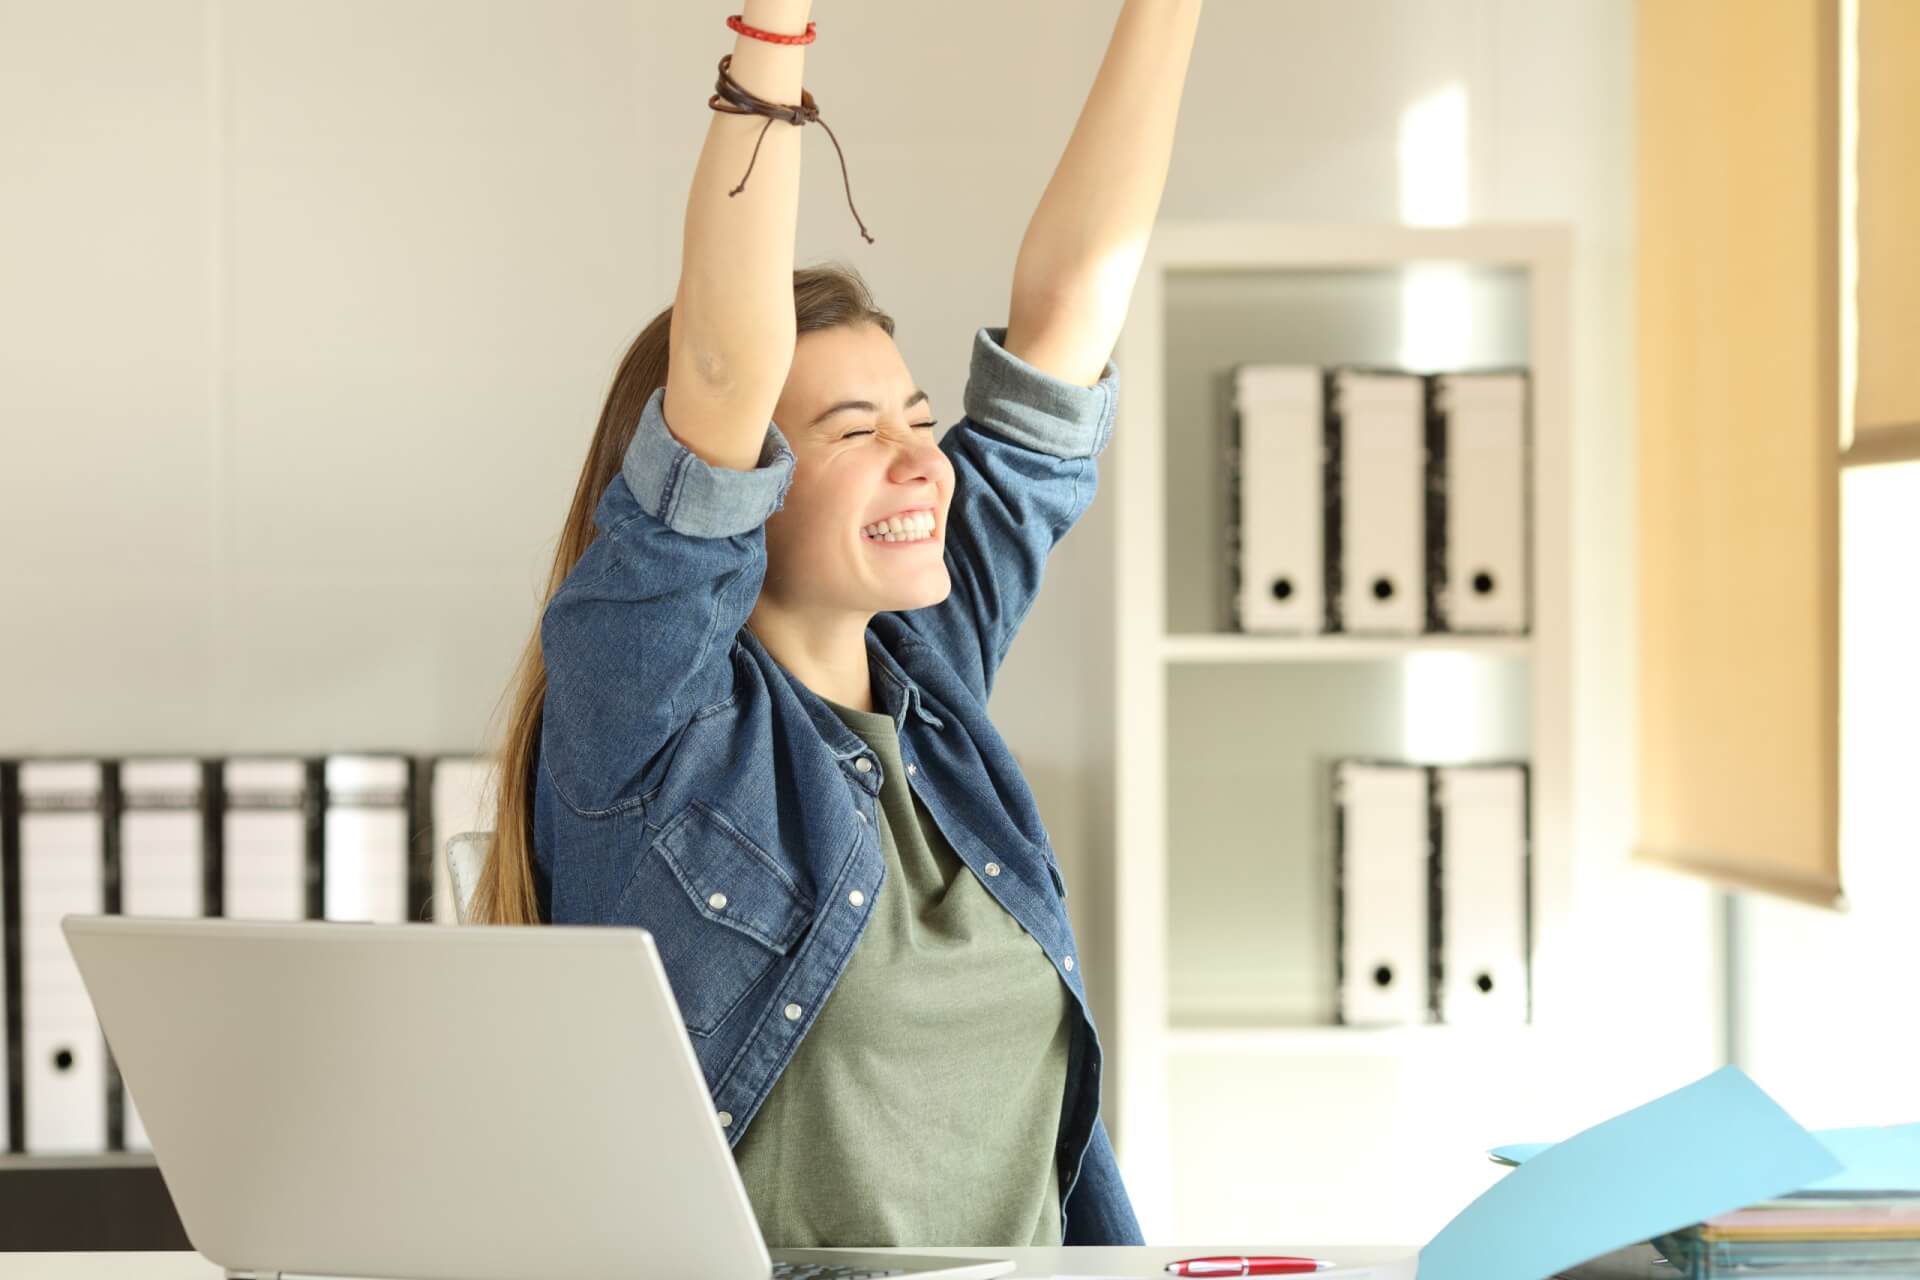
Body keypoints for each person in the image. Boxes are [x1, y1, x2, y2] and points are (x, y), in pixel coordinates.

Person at [470, 0, 1203, 1248]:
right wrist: (775, 33)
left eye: (918, 419)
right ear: (744, 485)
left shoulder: (929, 668)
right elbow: (720, 370)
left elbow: (1075, 301)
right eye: (854, 431)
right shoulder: (643, 721)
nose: (923, 462)